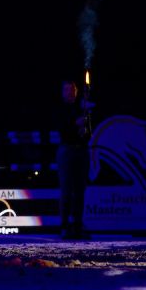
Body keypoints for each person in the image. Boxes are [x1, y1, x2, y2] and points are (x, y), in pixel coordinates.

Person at [54, 79, 91, 240]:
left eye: (73, 90)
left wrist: (85, 129)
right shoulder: (60, 109)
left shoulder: (82, 109)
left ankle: (78, 224)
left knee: (80, 190)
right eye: (67, 90)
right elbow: (61, 128)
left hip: (81, 150)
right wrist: (75, 124)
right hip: (67, 150)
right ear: (63, 93)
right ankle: (64, 225)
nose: (70, 93)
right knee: (66, 190)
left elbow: (89, 132)